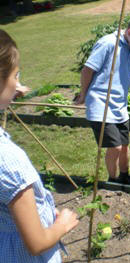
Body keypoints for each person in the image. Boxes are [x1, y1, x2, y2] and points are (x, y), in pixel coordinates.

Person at [0, 29, 79, 262]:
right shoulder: (8, 160)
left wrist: (40, 213)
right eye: (15, 76)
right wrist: (63, 223)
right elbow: (36, 243)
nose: (18, 85)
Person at [75, 14, 130, 184]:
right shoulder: (108, 44)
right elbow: (87, 70)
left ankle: (124, 177)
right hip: (100, 105)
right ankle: (112, 180)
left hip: (120, 106)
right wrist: (83, 94)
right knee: (115, 146)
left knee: (124, 145)